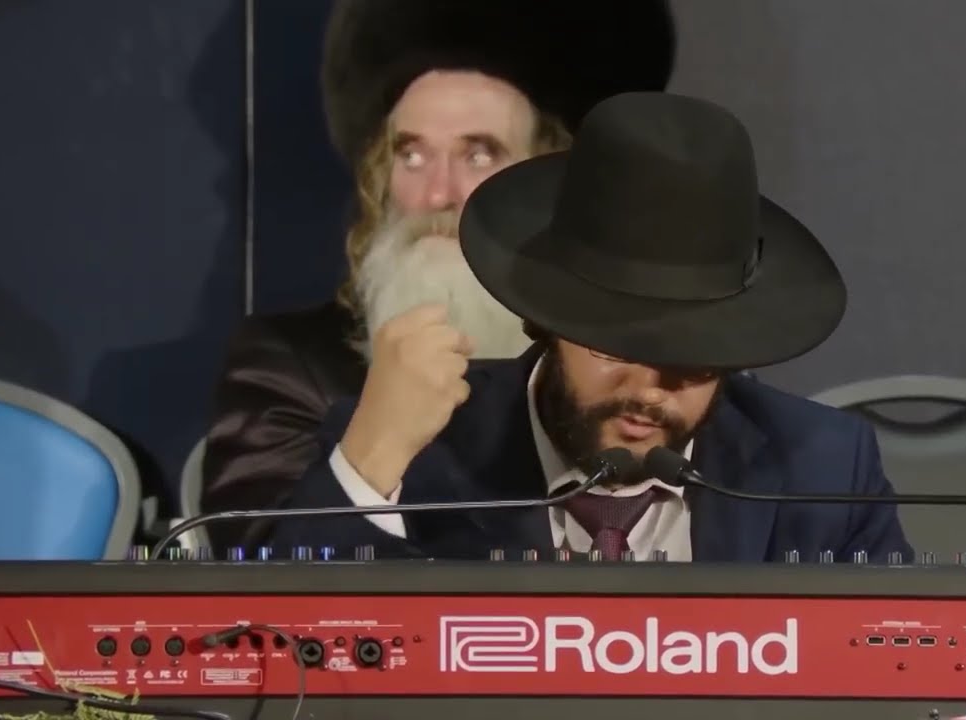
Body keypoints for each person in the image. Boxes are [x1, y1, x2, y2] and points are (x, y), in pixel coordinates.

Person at [266, 92, 913, 562]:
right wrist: (370, 460)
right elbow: (286, 650)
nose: (649, 389)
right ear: (544, 320)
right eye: (617, 346)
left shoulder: (824, 468)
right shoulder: (423, 449)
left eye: (693, 359)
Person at [200, 0, 676, 551]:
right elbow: (257, 574)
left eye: (479, 155)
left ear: (552, 180)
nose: (437, 195)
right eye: (412, 155)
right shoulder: (289, 367)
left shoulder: (634, 368)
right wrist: (372, 447)